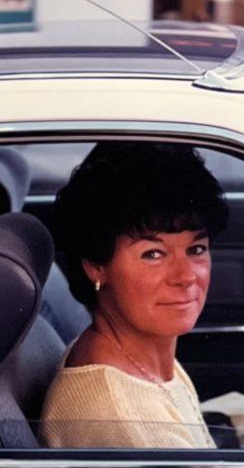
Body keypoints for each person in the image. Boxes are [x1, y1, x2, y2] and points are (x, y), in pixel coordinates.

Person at [40, 142, 228, 448]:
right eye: (153, 254)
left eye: (196, 249)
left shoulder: (139, 353)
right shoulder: (125, 420)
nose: (186, 276)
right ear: (96, 266)